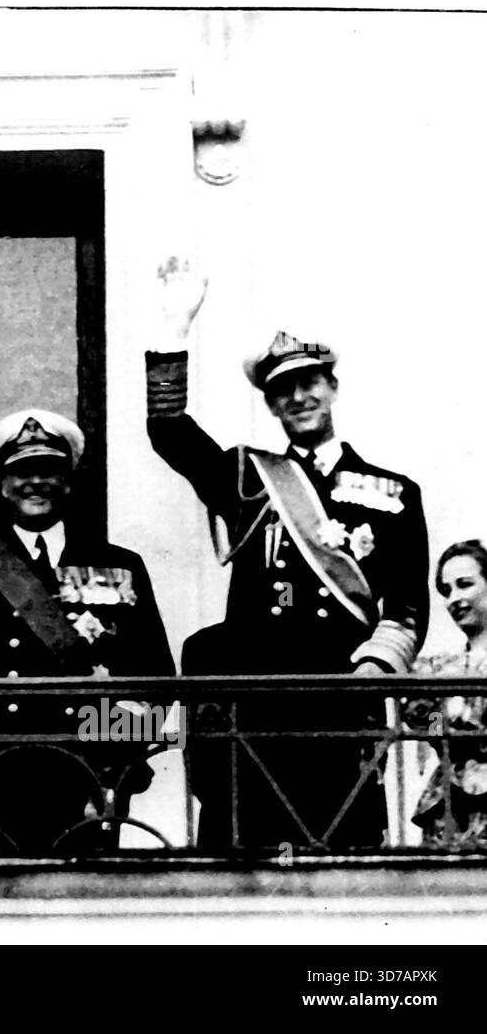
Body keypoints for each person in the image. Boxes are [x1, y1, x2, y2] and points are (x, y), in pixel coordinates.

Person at [146, 258, 429, 850]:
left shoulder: (395, 492)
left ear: (332, 387)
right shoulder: (249, 478)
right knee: (242, 865)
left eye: (308, 384)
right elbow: (171, 433)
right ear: (271, 406)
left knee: (344, 862)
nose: (299, 398)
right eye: (282, 391)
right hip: (257, 710)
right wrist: (175, 327)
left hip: (339, 702)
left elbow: (404, 604)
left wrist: (373, 672)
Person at [0, 408, 175, 855]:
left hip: (85, 772)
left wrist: (112, 767)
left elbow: (154, 677)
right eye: (22, 472)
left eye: (48, 470)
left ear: (68, 480)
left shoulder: (119, 564)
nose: (35, 482)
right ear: (2, 485)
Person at [402, 540, 487, 849]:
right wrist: (444, 719)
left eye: (465, 584)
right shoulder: (438, 669)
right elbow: (430, 727)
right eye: (446, 590)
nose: (455, 598)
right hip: (452, 808)